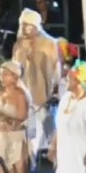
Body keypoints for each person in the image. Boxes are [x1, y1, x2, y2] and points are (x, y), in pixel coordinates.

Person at [12, 9, 61, 161]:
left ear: (34, 26)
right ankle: (30, 161)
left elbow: (56, 69)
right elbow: (14, 66)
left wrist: (55, 91)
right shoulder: (19, 44)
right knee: (29, 131)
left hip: (42, 94)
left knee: (47, 126)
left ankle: (54, 157)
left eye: (26, 25)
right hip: (23, 93)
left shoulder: (49, 43)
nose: (23, 28)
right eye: (22, 25)